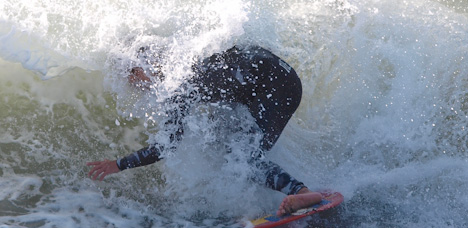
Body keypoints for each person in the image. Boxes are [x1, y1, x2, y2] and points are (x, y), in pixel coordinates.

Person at [87, 45, 322, 216]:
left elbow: (165, 148)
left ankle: (302, 192)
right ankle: (282, 196)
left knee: (243, 159)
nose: (134, 86)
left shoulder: (178, 87)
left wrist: (118, 164)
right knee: (225, 139)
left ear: (143, 69)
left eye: (132, 77)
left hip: (275, 86)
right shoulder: (192, 61)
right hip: (281, 76)